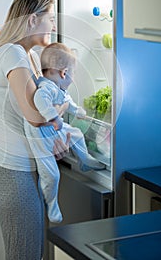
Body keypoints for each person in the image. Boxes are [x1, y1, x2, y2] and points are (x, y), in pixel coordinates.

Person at [0, 0, 70, 260]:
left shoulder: (25, 55)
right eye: (50, 18)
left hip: (11, 169)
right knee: (25, 256)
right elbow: (35, 115)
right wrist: (62, 108)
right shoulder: (13, 54)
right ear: (32, 19)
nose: (55, 24)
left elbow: (31, 118)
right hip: (11, 175)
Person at [24, 42, 105, 224]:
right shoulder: (46, 87)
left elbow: (66, 100)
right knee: (51, 175)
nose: (73, 78)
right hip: (41, 137)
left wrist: (77, 111)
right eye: (73, 73)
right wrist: (54, 117)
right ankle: (51, 204)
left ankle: (85, 161)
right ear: (64, 73)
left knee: (75, 133)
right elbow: (40, 99)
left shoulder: (57, 87)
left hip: (53, 130)